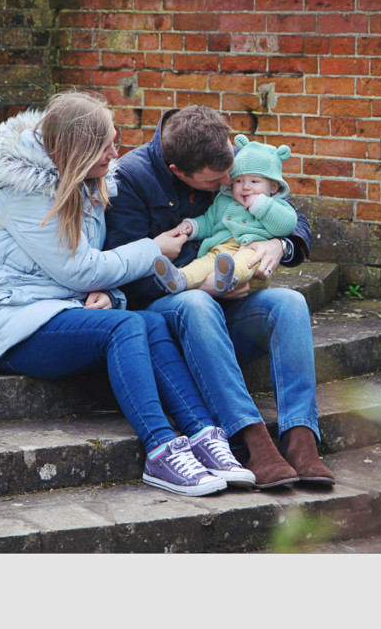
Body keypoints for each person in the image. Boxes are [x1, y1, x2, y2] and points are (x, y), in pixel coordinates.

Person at [0, 91, 256, 496]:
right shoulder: (26, 195)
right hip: (4, 321)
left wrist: (113, 296)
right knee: (125, 328)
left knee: (149, 322)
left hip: (54, 307)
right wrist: (153, 250)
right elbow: (79, 269)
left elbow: (92, 267)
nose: (118, 151)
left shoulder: (90, 183)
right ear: (80, 149)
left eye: (116, 139)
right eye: (108, 144)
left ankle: (203, 434)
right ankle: (161, 448)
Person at [105, 105, 335, 487]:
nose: (232, 182)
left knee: (290, 303)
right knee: (196, 302)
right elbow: (122, 277)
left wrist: (281, 243)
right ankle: (250, 439)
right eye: (219, 180)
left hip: (230, 300)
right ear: (179, 172)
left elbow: (291, 215)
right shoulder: (130, 179)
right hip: (171, 314)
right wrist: (201, 284)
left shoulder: (218, 152)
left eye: (233, 171)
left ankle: (301, 439)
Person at [152, 135, 297, 294]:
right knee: (203, 264)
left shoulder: (275, 205)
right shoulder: (224, 201)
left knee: (244, 261)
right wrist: (192, 227)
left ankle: (229, 278)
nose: (245, 187)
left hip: (253, 250)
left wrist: (263, 206)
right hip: (220, 250)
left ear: (274, 187)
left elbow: (287, 225)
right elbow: (209, 221)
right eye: (239, 181)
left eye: (254, 182)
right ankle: (179, 279)